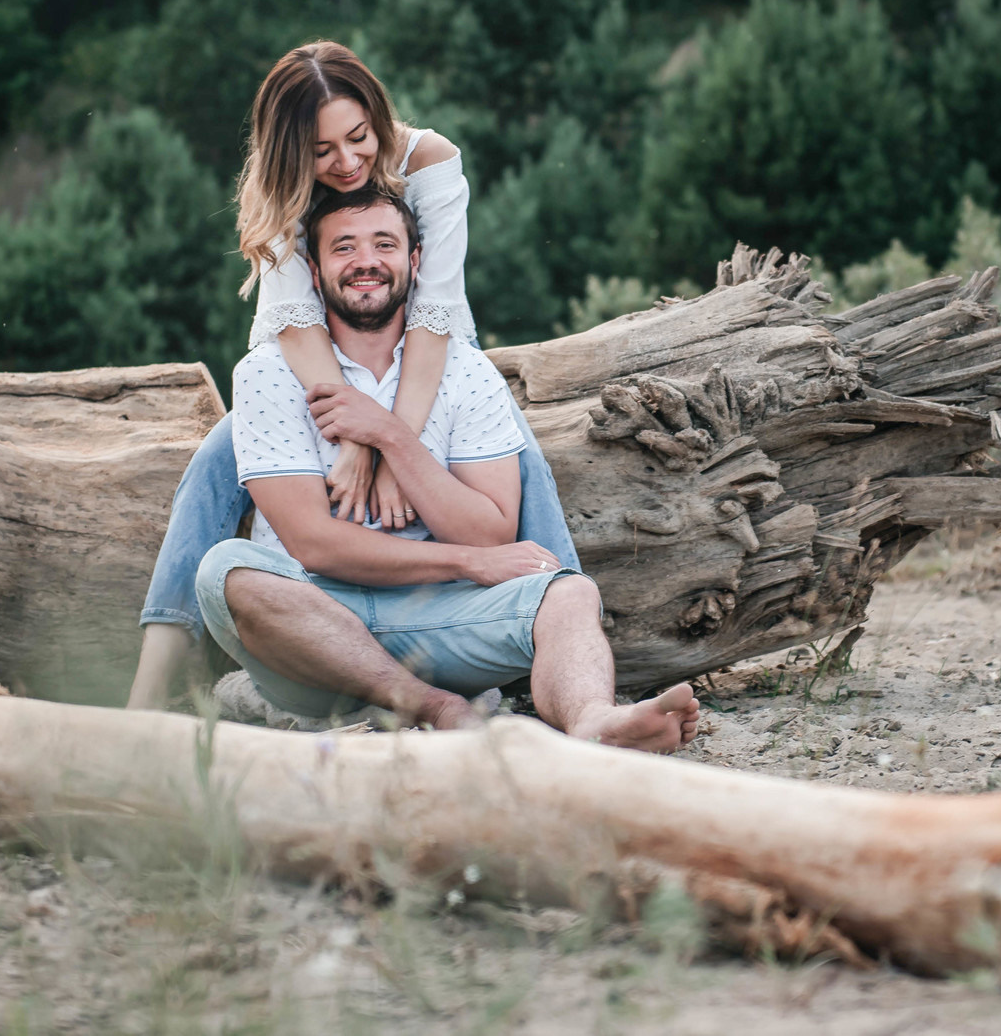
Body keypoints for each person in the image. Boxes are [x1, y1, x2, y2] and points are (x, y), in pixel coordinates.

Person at [127, 41, 578, 709]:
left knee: (521, 455)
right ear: (291, 150)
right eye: (322, 150)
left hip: (422, 347)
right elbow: (297, 324)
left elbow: (434, 312)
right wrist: (354, 439)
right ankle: (154, 683)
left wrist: (397, 443)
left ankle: (566, 626)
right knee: (213, 464)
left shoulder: (430, 160)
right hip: (306, 358)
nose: (346, 162)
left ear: (377, 116)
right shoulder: (277, 184)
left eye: (358, 138)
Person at [196, 181, 698, 750]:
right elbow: (313, 544)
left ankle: (594, 723)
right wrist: (467, 561)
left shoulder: (464, 370)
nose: (366, 262)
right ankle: (436, 708)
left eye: (384, 244)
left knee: (570, 594)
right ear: (314, 271)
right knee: (227, 571)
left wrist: (391, 436)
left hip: (438, 622)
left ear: (414, 261)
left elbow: (490, 528)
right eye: (344, 248)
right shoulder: (267, 372)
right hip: (312, 632)